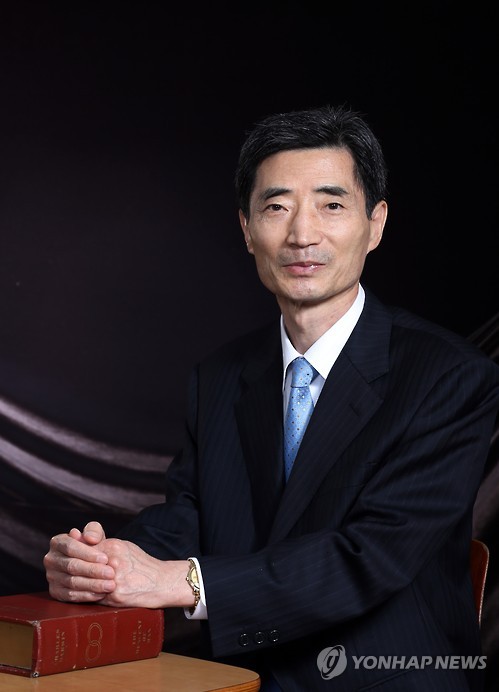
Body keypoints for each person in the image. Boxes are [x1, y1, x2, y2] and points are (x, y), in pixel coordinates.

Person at [44, 104, 499, 691]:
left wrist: (181, 582)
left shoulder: (449, 376)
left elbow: (373, 555)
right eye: (277, 207)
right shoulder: (220, 376)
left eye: (331, 205)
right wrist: (101, 564)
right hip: (239, 678)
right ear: (246, 228)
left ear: (376, 224)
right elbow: (190, 516)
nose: (302, 234)